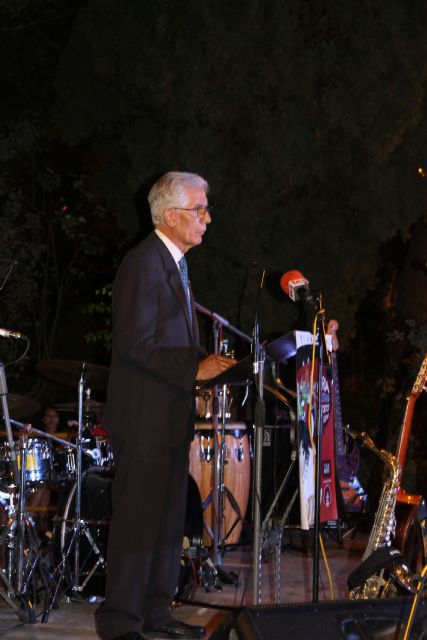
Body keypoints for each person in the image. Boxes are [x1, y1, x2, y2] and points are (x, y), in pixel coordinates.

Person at [95, 172, 233, 640]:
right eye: (199, 210)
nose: (207, 218)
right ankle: (121, 623)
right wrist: (196, 367)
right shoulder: (143, 263)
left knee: (166, 525)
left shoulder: (174, 265)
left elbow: (169, 343)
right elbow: (137, 344)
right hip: (144, 421)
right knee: (138, 524)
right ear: (171, 216)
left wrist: (210, 365)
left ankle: (154, 614)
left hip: (170, 419)